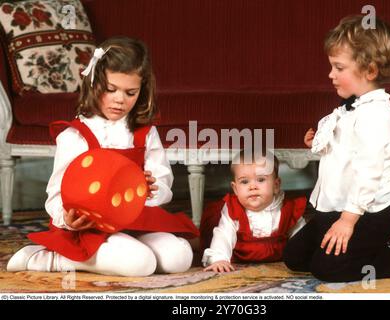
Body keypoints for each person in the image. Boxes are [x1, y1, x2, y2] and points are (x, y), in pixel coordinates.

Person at [7, 36, 199, 277]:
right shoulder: (75, 136)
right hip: (91, 228)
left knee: (179, 258)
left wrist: (153, 190)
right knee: (141, 264)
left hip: (137, 221)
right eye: (111, 90)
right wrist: (66, 219)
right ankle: (50, 258)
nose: (120, 99)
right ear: (95, 84)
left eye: (131, 92)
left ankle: (121, 252)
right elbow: (56, 193)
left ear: (142, 90)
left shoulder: (144, 132)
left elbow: (164, 183)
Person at [283, 15, 390, 282]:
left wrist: (347, 221)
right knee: (295, 257)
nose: (330, 75)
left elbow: (368, 172)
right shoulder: (353, 106)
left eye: (338, 67)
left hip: (366, 214)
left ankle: (386, 258)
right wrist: (321, 143)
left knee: (326, 269)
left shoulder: (376, 114)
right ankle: (361, 249)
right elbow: (344, 154)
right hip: (335, 207)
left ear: (369, 71)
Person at [200, 150, 306, 273]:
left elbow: (301, 236)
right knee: (211, 236)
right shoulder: (233, 208)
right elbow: (224, 234)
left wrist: (304, 254)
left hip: (279, 254)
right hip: (241, 255)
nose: (252, 187)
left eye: (260, 180)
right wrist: (219, 259)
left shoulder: (287, 208)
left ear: (276, 185)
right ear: (235, 189)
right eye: (244, 182)